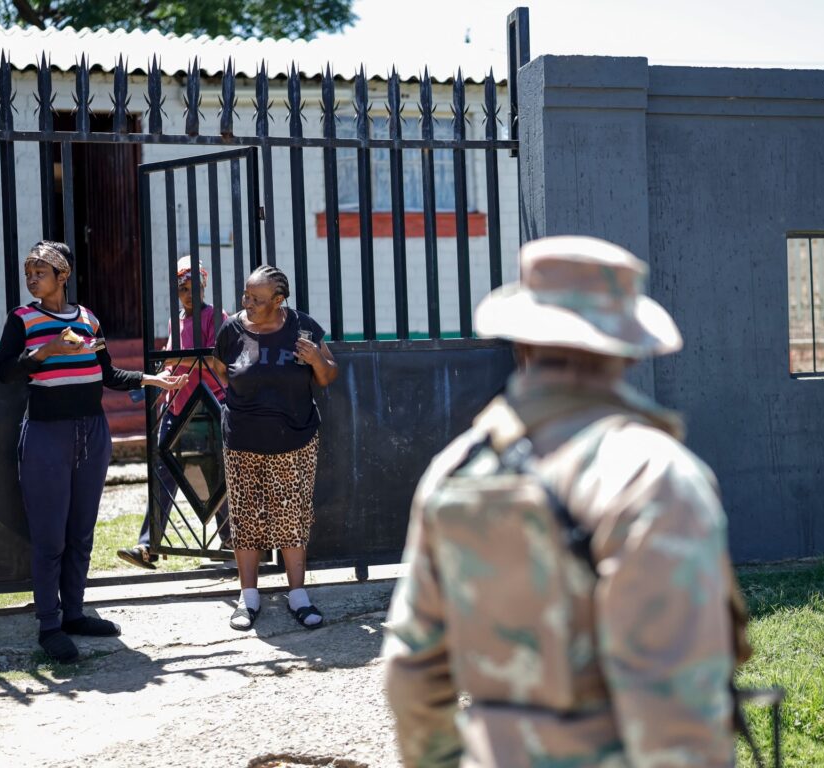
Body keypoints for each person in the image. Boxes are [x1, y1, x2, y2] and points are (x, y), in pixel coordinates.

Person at [383, 236, 737, 767]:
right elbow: (675, 711)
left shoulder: (456, 470)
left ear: (521, 343)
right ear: (627, 350)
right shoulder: (652, 474)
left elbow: (411, 672)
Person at [0, 240, 187, 663]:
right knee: (49, 534)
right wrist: (46, 351)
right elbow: (5, 372)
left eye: (40, 272)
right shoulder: (22, 319)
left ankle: (75, 613)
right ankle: (49, 624)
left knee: (81, 530)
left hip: (92, 433)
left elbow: (107, 374)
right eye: (29, 273)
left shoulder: (88, 320)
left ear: (62, 275)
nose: (32, 279)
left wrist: (152, 380)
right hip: (46, 434)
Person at [206, 265, 339, 631]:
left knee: (292, 516)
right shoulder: (231, 329)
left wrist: (316, 360)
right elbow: (221, 368)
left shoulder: (302, 327)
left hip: (294, 439)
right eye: (246, 295)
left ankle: (298, 596)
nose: (247, 303)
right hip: (242, 440)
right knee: (245, 517)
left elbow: (328, 375)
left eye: (256, 298)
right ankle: (248, 598)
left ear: (278, 300)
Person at [116, 255, 230, 569]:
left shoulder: (215, 316)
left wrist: (174, 361)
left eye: (194, 287)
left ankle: (231, 539)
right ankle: (148, 545)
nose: (188, 294)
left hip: (207, 408)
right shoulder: (175, 321)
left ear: (204, 286)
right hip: (177, 407)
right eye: (182, 288)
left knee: (214, 473)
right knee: (163, 473)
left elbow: (212, 359)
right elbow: (171, 361)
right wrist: (164, 376)